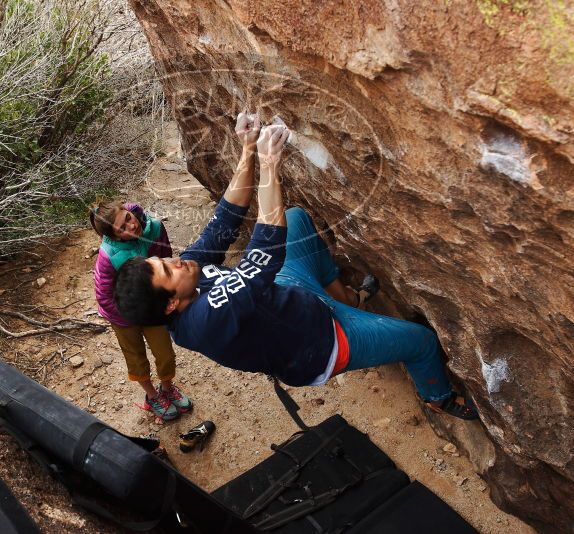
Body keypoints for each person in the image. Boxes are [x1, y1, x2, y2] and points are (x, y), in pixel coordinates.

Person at [113, 113, 477, 420]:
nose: (174, 260)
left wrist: (249, 148)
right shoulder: (205, 322)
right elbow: (263, 251)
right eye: (167, 270)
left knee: (296, 219)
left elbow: (226, 218)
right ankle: (438, 397)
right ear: (170, 304)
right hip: (322, 344)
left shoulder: (188, 274)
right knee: (422, 342)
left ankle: (346, 297)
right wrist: (271, 165)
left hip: (295, 296)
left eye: (161, 260)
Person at [90, 200, 192, 421]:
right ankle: (152, 395)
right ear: (115, 237)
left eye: (128, 218)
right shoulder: (109, 255)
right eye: (122, 229)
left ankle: (167, 388)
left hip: (151, 306)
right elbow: (104, 297)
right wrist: (132, 316)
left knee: (164, 352)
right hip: (122, 314)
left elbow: (166, 256)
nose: (131, 226)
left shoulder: (154, 228)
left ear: (129, 210)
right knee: (136, 357)